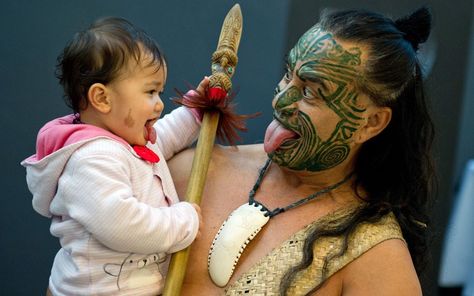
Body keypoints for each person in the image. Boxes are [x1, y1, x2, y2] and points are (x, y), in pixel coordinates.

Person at [169, 6, 435, 295]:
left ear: (371, 122)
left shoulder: (378, 260)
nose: (281, 100)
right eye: (287, 75)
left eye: (310, 92)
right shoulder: (197, 167)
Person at [21, 17, 207, 295]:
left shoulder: (128, 138)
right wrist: (184, 221)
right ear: (103, 99)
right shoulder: (91, 159)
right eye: (150, 91)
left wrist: (195, 111)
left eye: (160, 92)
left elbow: (165, 137)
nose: (159, 104)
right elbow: (124, 224)